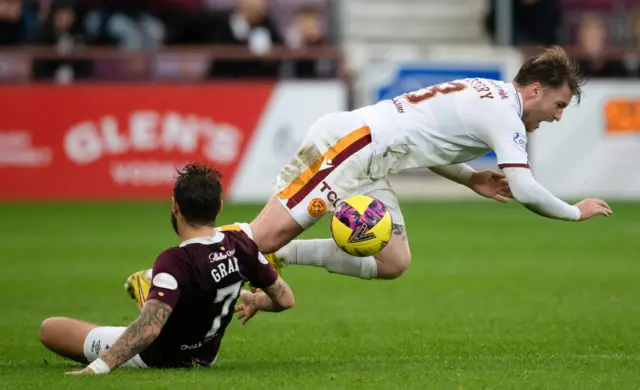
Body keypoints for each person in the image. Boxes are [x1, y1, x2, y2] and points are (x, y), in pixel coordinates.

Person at [245, 45, 612, 281]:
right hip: (349, 147)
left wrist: (469, 179)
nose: (557, 116)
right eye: (559, 105)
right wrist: (573, 212)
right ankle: (196, 266)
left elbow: (425, 139)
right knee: (261, 237)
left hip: (370, 159)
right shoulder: (505, 113)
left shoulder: (490, 91)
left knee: (393, 260)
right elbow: (524, 188)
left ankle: (282, 256)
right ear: (535, 90)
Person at [39, 162, 294, 375]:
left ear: (175, 206)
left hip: (158, 356)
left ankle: (148, 289)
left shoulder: (174, 260)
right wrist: (258, 302)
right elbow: (285, 299)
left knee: (50, 328)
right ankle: (151, 292)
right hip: (206, 356)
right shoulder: (242, 245)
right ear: (219, 207)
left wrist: (99, 367)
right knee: (178, 302)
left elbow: (149, 329)